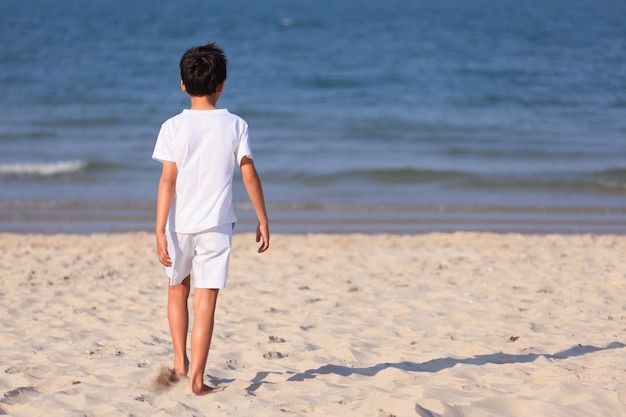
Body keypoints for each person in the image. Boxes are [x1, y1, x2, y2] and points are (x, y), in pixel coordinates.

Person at [152, 42, 270, 395]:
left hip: (179, 225)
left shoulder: (172, 126)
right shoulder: (236, 125)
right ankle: (198, 381)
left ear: (183, 85)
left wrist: (159, 228)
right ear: (222, 84)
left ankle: (179, 364)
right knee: (206, 300)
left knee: (177, 289)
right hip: (217, 226)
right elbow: (248, 173)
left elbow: (167, 180)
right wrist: (262, 219)